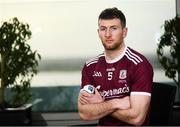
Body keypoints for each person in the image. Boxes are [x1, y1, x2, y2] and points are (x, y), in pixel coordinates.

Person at [78, 7, 153, 126]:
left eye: (114, 28)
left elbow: (137, 118)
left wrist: (101, 103)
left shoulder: (139, 64)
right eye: (103, 29)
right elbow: (84, 113)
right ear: (98, 32)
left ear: (124, 32)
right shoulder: (90, 67)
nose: (108, 34)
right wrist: (115, 103)